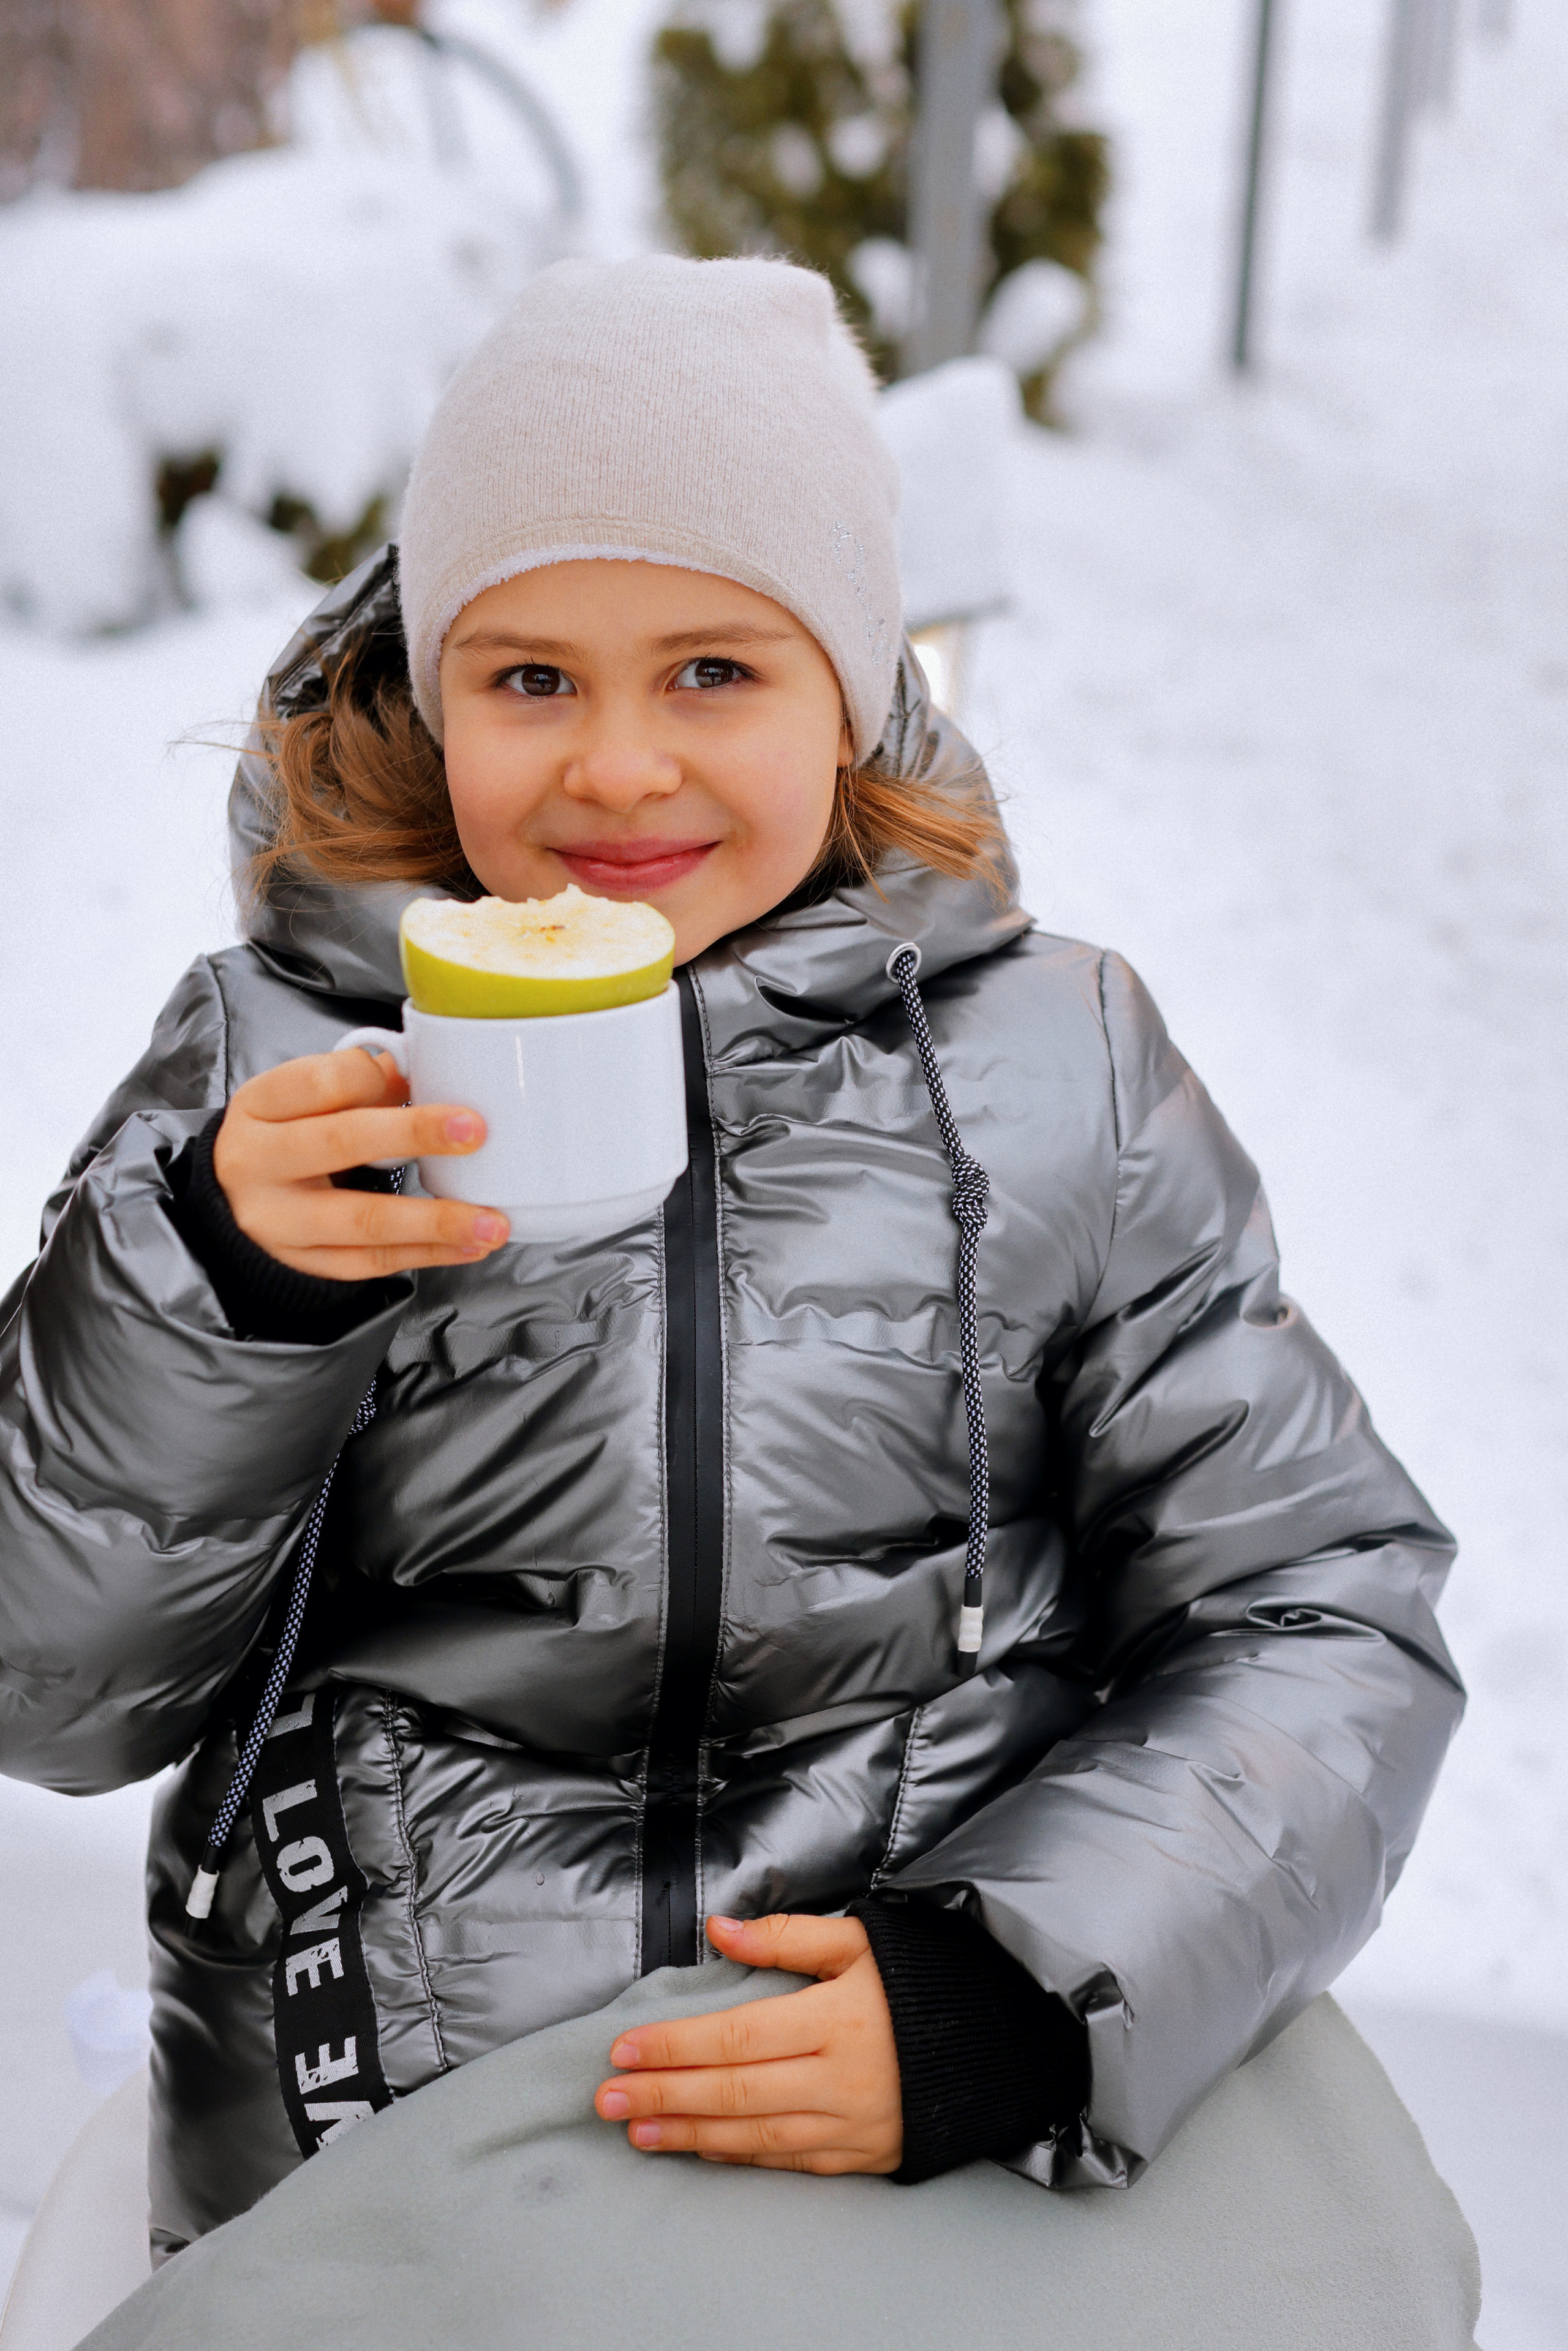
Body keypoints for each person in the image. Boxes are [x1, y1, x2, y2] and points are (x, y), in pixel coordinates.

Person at [0, 257, 1463, 2265]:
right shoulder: (276, 1075)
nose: (614, 770)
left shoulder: (1057, 1075)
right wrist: (216, 1289)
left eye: (712, 672)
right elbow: (49, 1690)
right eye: (531, 678)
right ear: (433, 693)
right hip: (392, 2190)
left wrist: (1023, 1989)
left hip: (901, 2157)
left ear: (847, 695)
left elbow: (1320, 1598)